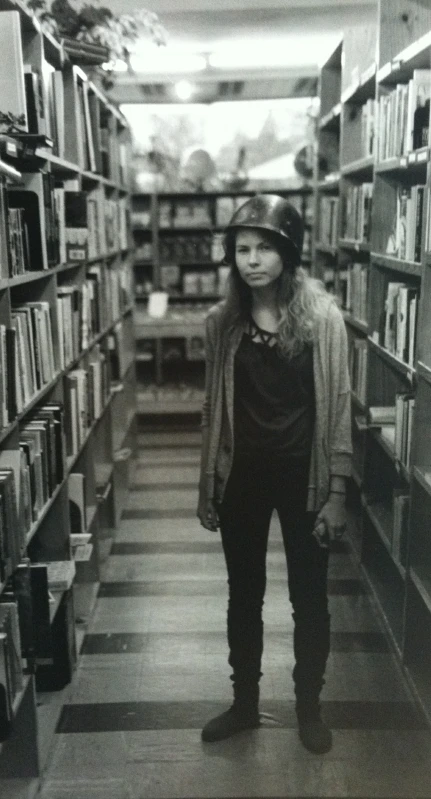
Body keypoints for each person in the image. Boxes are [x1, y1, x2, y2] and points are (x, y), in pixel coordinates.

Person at [197, 194, 352, 754]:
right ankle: (244, 705)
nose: (252, 259)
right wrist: (208, 483)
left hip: (302, 479)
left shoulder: (321, 319)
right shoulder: (222, 323)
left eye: (264, 247)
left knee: (309, 599)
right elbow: (213, 407)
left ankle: (309, 708)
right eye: (242, 249)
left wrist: (337, 492)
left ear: (288, 252)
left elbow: (337, 404)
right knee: (244, 594)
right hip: (242, 477)